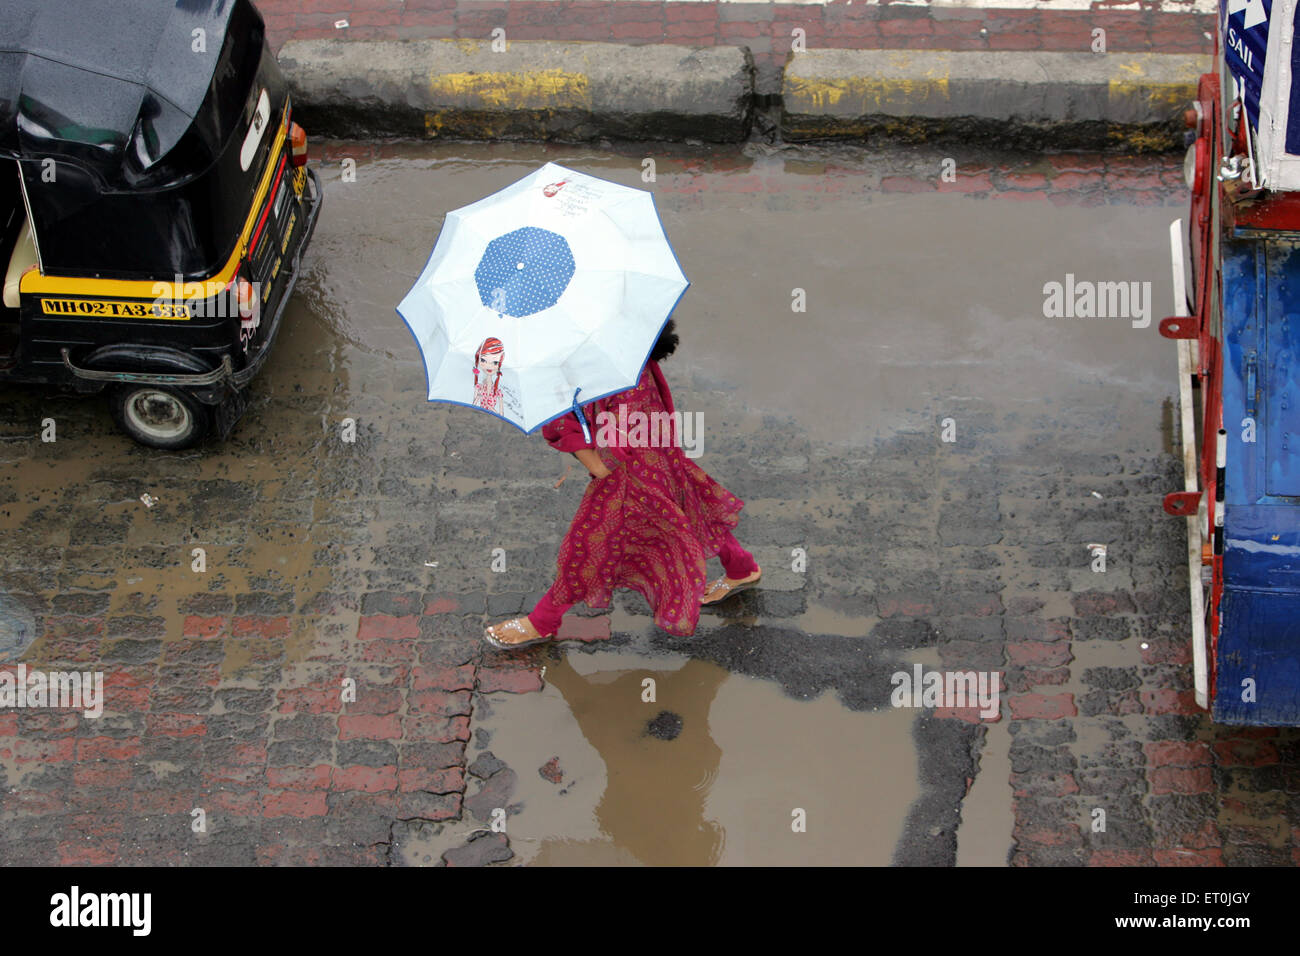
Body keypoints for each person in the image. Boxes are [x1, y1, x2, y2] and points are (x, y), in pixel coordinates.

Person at [484, 319, 762, 648]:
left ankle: (543, 620)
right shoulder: (625, 360)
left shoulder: (624, 382)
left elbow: (605, 465)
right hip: (659, 457)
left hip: (631, 476)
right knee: (689, 508)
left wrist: (565, 430)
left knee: (586, 549)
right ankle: (741, 567)